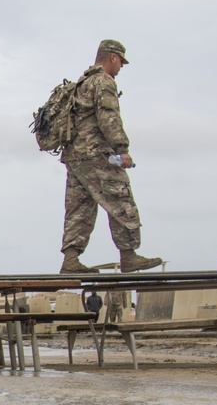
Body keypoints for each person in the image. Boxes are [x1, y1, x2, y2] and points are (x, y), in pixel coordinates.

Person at [59, 39, 163, 275]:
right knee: (121, 200)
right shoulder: (104, 82)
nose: (121, 68)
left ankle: (71, 260)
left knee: (79, 208)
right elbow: (109, 117)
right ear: (113, 58)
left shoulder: (81, 83)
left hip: (75, 158)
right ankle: (129, 256)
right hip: (97, 155)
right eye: (121, 63)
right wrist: (122, 149)